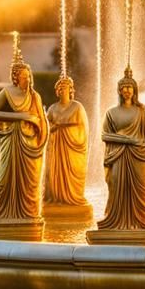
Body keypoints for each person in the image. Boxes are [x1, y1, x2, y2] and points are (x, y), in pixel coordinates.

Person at [0, 35, 48, 225]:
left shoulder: (35, 96)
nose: (27, 80)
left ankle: (28, 213)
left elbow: (43, 122)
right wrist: (19, 117)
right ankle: (4, 212)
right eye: (23, 77)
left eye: (29, 76)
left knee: (29, 182)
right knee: (5, 179)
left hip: (29, 143)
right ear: (15, 78)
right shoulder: (7, 92)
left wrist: (41, 143)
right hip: (11, 140)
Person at [93, 67, 145, 234]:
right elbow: (104, 135)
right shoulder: (111, 113)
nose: (127, 90)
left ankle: (144, 223)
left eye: (130, 87)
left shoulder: (140, 112)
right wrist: (127, 140)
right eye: (124, 87)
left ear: (135, 90)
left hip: (140, 155)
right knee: (116, 188)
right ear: (119, 90)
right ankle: (115, 222)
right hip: (118, 156)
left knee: (142, 189)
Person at [44, 75, 90, 209]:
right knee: (54, 174)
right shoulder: (52, 108)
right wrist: (52, 128)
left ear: (71, 90)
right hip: (56, 146)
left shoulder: (77, 107)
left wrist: (66, 130)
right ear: (57, 91)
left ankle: (71, 197)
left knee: (71, 171)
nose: (63, 90)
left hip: (71, 147)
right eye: (60, 88)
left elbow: (83, 128)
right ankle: (56, 197)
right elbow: (46, 125)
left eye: (65, 87)